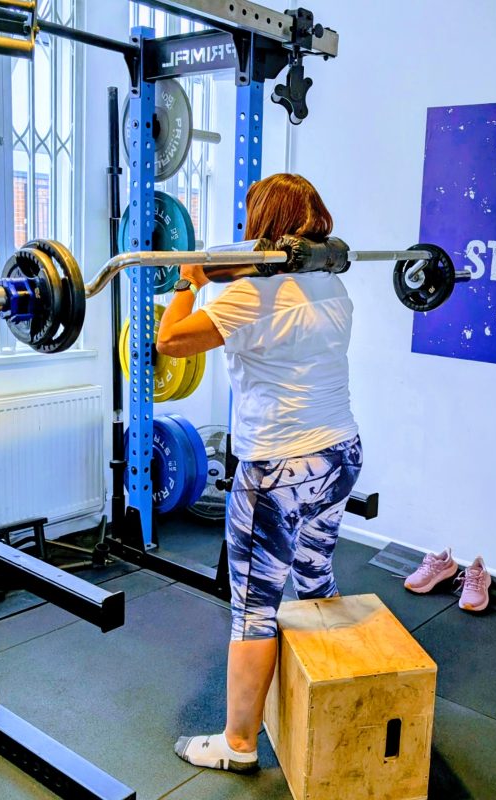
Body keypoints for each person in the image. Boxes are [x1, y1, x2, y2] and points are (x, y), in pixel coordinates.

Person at [156, 173, 362, 774]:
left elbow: (170, 342)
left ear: (264, 224)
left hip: (277, 469)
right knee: (315, 578)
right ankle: (330, 698)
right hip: (340, 454)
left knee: (254, 607)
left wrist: (188, 283)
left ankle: (239, 744)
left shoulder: (251, 298)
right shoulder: (334, 285)